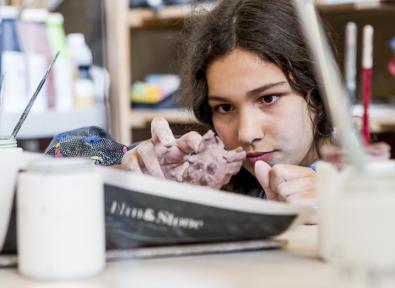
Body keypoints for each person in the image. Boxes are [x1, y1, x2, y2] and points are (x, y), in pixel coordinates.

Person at [121, 0, 333, 208]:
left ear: (317, 94)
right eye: (225, 108)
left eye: (268, 98)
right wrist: (131, 171)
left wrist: (347, 205)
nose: (246, 134)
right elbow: (89, 147)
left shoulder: (358, 182)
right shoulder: (209, 173)